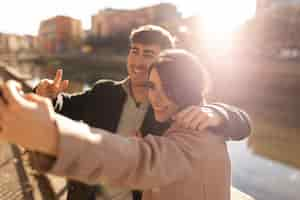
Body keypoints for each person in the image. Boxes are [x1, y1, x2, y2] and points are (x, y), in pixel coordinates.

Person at [32, 25, 251, 200]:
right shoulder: (105, 91)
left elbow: (241, 125)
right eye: (134, 51)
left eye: (147, 54)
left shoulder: (175, 108)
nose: (137, 61)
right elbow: (66, 106)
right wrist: (50, 95)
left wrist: (216, 112)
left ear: (164, 61)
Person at [0, 49, 232, 200]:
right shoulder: (179, 120)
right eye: (152, 87)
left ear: (190, 87)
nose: (157, 98)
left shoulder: (200, 133)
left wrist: (51, 137)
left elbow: (141, 160)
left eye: (169, 88)